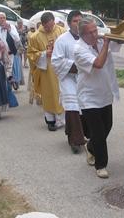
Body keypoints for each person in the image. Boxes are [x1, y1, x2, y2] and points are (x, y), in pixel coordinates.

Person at [74, 17, 120, 179]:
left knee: (108, 126)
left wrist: (122, 27)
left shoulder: (100, 40)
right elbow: (99, 63)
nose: (96, 34)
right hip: (89, 96)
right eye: (91, 32)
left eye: (96, 30)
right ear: (82, 35)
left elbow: (118, 41)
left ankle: (91, 147)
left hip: (105, 93)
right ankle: (101, 165)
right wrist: (106, 44)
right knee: (99, 132)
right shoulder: (79, 49)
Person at [51, 10, 88, 154]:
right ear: (69, 23)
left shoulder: (86, 38)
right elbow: (56, 61)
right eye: (75, 21)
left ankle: (77, 132)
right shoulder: (62, 40)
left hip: (84, 79)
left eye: (80, 20)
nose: (78, 24)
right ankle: (75, 140)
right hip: (68, 78)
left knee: (85, 106)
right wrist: (75, 66)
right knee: (72, 106)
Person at [27, 12, 66, 131]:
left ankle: (62, 120)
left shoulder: (62, 32)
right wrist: (44, 54)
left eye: (51, 25)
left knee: (62, 93)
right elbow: (31, 54)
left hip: (61, 69)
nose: (49, 29)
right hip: (46, 70)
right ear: (42, 24)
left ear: (54, 21)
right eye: (46, 27)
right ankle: (50, 120)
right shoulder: (35, 37)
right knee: (49, 94)